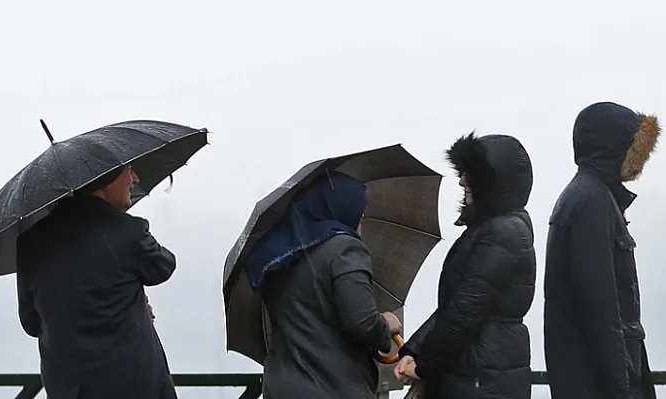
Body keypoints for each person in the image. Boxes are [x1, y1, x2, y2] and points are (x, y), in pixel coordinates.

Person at [16, 164, 178, 399]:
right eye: (129, 171)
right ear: (105, 182)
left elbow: (31, 322)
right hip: (136, 389)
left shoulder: (31, 241)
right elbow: (164, 265)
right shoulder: (128, 231)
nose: (135, 178)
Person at [394, 133, 536, 399]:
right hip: (477, 372)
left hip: (481, 376)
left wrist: (424, 367)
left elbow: (464, 311)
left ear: (492, 181)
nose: (461, 180)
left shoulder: (503, 233)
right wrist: (413, 351)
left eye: (469, 173)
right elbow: (453, 307)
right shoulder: (490, 229)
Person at [245, 171, 402, 399]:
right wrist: (386, 326)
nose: (361, 222)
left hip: (282, 388)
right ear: (342, 209)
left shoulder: (276, 257)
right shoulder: (345, 248)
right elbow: (363, 324)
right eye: (359, 214)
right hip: (332, 388)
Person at [544, 102, 660, 399]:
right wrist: (621, 388)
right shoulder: (592, 201)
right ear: (616, 146)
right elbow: (600, 306)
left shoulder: (588, 196)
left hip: (591, 378)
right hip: (600, 383)